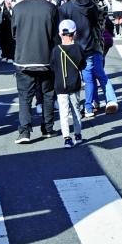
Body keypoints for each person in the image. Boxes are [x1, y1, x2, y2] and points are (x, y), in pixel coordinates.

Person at [59, 0, 118, 118]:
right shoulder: (90, 5)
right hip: (91, 45)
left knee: (72, 79)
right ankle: (90, 107)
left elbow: (62, 28)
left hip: (71, 47)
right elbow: (96, 23)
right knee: (91, 77)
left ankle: (74, 108)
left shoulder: (65, 8)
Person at [11, 0, 58, 144]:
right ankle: (48, 128)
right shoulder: (51, 8)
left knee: (25, 96)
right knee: (47, 94)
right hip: (46, 58)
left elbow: (14, 33)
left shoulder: (18, 8)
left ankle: (24, 131)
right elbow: (55, 35)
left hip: (23, 58)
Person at [51, 20, 85, 148]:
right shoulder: (78, 48)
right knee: (76, 110)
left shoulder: (56, 50)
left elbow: (52, 66)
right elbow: (83, 65)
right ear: (74, 33)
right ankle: (78, 134)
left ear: (60, 34)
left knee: (63, 112)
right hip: (74, 84)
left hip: (60, 85)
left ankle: (66, 138)